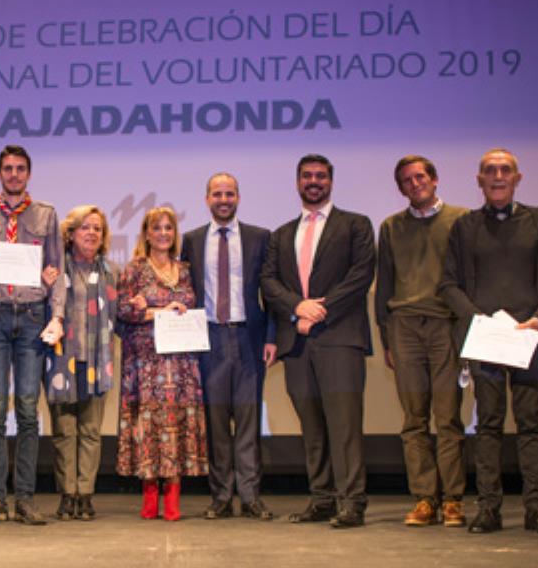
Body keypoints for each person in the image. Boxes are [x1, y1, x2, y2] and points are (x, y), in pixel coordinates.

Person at [440, 148, 538, 535]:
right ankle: (489, 509)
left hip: (528, 338)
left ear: (517, 178)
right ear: (479, 180)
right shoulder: (464, 227)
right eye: (490, 171)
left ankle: (536, 509)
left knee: (531, 425)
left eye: (505, 170)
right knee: (489, 426)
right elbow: (448, 284)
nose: (498, 176)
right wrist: (477, 320)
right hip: (487, 341)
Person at [260, 154, 375, 529]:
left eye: (321, 176)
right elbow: (269, 281)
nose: (314, 181)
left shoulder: (355, 225)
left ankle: (352, 502)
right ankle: (323, 498)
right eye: (307, 176)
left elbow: (360, 275)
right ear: (297, 182)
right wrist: (297, 307)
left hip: (340, 338)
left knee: (344, 427)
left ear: (331, 181)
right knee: (312, 428)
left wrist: (319, 311)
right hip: (298, 344)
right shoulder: (281, 234)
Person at [0, 145, 64, 526]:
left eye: (21, 168)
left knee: (26, 411)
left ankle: (24, 499)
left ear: (29, 174)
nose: (15, 174)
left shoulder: (46, 215)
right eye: (8, 169)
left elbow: (57, 271)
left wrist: (57, 316)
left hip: (33, 318)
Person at [374, 156, 469, 528]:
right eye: (407, 181)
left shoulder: (461, 220)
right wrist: (387, 338)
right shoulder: (391, 227)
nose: (415, 184)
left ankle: (453, 500)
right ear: (400, 188)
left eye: (420, 177)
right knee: (414, 419)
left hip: (446, 325)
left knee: (448, 416)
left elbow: (468, 278)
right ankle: (425, 498)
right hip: (405, 326)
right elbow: (384, 285)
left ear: (434, 179)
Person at [181, 173, 277, 520]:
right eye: (217, 194)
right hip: (209, 339)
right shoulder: (191, 240)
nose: (224, 199)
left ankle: (251, 496)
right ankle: (220, 496)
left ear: (238, 197)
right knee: (216, 422)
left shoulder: (259, 238)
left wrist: (271, 337)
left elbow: (272, 291)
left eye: (230, 193)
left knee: (249, 421)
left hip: (249, 338)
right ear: (207, 198)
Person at [116, 206, 208, 521]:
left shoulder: (184, 269)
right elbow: (124, 312)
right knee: (150, 425)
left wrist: (166, 310)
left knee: (177, 424)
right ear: (147, 233)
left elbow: (194, 308)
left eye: (169, 228)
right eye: (157, 228)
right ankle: (149, 493)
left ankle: (172, 495)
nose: (164, 234)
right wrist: (159, 311)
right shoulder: (134, 269)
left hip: (181, 363)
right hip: (145, 363)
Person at [45, 205, 119, 520]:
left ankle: (85, 494)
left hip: (96, 361)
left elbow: (119, 315)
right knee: (64, 431)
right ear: (71, 233)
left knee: (90, 430)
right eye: (85, 227)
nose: (92, 233)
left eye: (97, 228)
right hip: (62, 360)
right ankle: (67, 494)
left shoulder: (111, 271)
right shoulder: (54, 269)